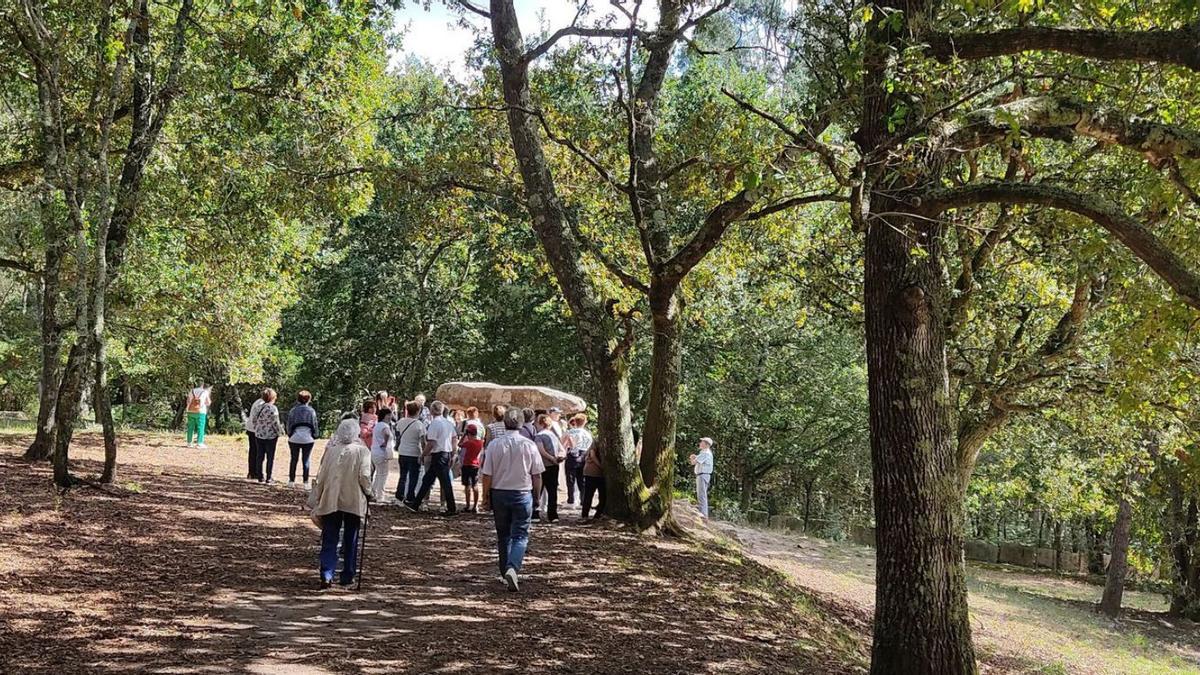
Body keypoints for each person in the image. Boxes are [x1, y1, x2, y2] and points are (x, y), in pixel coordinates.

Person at [481, 407, 544, 592]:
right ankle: (512, 567)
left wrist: (485, 496)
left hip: (499, 492)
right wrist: (537, 496)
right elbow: (537, 474)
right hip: (522, 493)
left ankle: (505, 571)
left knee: (503, 535)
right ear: (522, 423)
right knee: (521, 535)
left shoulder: (494, 445)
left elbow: (487, 474)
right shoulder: (529, 445)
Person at [308, 418, 372, 589]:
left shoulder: (331, 451)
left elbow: (321, 476)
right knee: (351, 538)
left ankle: (326, 573)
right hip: (353, 499)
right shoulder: (362, 451)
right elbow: (364, 476)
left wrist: (318, 496)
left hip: (332, 498)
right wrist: (369, 492)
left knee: (330, 537)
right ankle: (347, 575)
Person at [406, 400, 457, 515]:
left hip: (439, 454)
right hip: (445, 454)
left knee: (444, 482)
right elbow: (454, 438)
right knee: (428, 480)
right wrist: (453, 453)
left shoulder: (435, 424)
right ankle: (415, 505)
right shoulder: (448, 423)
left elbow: (431, 442)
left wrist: (423, 454)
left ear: (433, 410)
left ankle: (452, 508)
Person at [533, 413, 566, 523]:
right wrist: (559, 458)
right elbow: (562, 449)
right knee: (552, 491)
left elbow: (540, 450)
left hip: (543, 466)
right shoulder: (553, 436)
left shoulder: (539, 436)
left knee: (538, 490)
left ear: (540, 423)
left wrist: (551, 458)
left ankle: (535, 513)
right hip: (554, 466)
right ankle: (553, 515)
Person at [393, 401, 426, 505]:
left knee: (403, 475)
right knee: (413, 476)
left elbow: (398, 435)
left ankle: (399, 494)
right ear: (418, 411)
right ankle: (410, 496)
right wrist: (424, 454)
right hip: (414, 452)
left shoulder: (401, 421)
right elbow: (423, 441)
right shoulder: (419, 425)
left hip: (403, 451)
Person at [286, 390, 320, 488]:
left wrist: (290, 434)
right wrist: (315, 435)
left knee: (294, 459)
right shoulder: (311, 411)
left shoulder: (293, 410)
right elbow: (315, 425)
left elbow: (289, 424)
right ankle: (305, 482)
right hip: (308, 439)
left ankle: (291, 481)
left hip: (294, 438)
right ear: (309, 399)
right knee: (306, 460)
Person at [252, 388, 284, 483]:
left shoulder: (258, 407)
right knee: (270, 457)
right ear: (272, 398)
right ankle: (269, 477)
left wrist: (257, 429)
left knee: (259, 456)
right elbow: (276, 423)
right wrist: (280, 432)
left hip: (259, 434)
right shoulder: (273, 408)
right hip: (271, 436)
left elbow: (254, 420)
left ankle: (260, 476)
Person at [563, 414, 593, 506]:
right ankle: (583, 500)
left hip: (571, 456)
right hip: (583, 456)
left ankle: (571, 500)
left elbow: (562, 443)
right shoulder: (588, 434)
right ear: (585, 422)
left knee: (570, 479)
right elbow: (590, 446)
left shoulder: (570, 432)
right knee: (582, 480)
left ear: (575, 421)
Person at [370, 407, 395, 503]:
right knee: (383, 474)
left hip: (374, 451)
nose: (390, 416)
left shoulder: (377, 425)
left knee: (378, 474)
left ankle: (373, 492)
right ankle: (380, 496)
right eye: (388, 415)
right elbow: (387, 434)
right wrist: (385, 443)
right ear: (384, 416)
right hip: (381, 452)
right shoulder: (385, 426)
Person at [458, 425, 484, 512]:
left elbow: (459, 444)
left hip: (466, 465)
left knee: (467, 486)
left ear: (468, 433)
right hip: (475, 465)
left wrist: (463, 436)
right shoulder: (480, 442)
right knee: (475, 485)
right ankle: (475, 506)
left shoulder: (469, 443)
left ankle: (468, 505)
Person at [581, 430, 605, 521]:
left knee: (595, 494)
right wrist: (601, 466)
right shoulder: (598, 440)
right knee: (590, 494)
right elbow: (592, 454)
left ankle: (594, 515)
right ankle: (586, 515)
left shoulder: (598, 439)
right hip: (593, 471)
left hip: (593, 472)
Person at [689, 437, 715, 520]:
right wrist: (695, 457)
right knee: (702, 495)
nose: (700, 443)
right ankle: (703, 514)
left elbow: (694, 462)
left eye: (702, 442)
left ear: (706, 445)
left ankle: (703, 516)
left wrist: (692, 457)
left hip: (702, 475)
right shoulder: (705, 453)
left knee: (701, 496)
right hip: (703, 475)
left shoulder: (705, 453)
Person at [244, 390, 267, 480]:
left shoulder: (257, 402)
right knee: (258, 452)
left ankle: (251, 472)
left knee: (253, 451)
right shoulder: (263, 404)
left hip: (251, 429)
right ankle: (257, 472)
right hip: (256, 430)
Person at [184, 381, 212, 448]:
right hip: (200, 412)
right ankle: (199, 443)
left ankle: (189, 443)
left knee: (190, 427)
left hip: (190, 411)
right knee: (200, 427)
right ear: (202, 385)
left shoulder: (192, 391)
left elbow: (188, 401)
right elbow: (208, 402)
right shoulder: (205, 392)